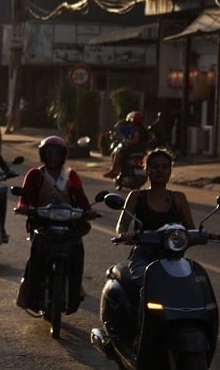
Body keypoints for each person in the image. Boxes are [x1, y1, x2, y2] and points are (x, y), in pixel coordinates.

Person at [15, 135, 97, 310]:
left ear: (63, 156)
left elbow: (81, 199)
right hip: (41, 222)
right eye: (49, 153)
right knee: (36, 256)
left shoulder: (70, 175)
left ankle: (76, 289)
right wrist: (24, 207)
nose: (53, 157)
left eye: (56, 153)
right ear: (43, 155)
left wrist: (88, 211)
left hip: (68, 223)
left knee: (76, 252)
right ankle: (29, 293)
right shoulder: (35, 174)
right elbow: (25, 198)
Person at [115, 148, 197, 293]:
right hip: (143, 255)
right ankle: (141, 314)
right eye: (155, 167)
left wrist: (205, 235)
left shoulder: (178, 198)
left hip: (173, 256)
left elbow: (191, 229)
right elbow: (122, 225)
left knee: (194, 282)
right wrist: (124, 234)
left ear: (170, 171)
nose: (160, 170)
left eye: (165, 167)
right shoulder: (136, 196)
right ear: (147, 170)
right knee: (147, 281)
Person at [104, 111, 149, 178]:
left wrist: (126, 141)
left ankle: (115, 170)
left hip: (133, 149)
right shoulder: (143, 129)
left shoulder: (136, 129)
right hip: (142, 150)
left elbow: (135, 141)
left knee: (118, 153)